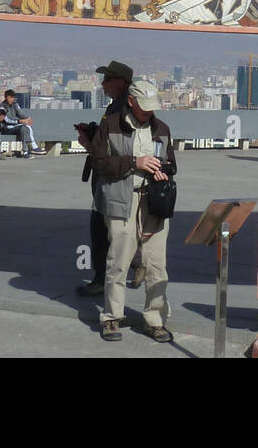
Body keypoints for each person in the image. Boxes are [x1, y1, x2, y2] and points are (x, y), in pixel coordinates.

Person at [89, 79, 177, 343]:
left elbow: (172, 162)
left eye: (152, 107)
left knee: (156, 265)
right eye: (144, 107)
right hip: (121, 201)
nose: (149, 112)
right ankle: (111, 317)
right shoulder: (110, 125)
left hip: (153, 203)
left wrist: (165, 170)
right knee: (118, 262)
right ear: (131, 101)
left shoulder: (161, 128)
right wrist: (134, 162)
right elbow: (99, 162)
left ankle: (155, 319)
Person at [75, 60, 132, 297]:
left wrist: (89, 143)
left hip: (111, 181)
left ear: (119, 82)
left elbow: (109, 151)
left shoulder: (119, 110)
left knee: (102, 230)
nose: (103, 84)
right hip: (117, 179)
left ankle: (102, 280)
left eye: (107, 79)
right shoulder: (123, 107)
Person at [0, 89, 46, 158]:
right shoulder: (2, 106)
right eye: (10, 97)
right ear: (6, 97)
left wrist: (27, 119)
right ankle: (34, 146)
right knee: (25, 126)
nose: (12, 99)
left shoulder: (15, 104)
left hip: (15, 127)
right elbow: (6, 120)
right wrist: (20, 121)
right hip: (7, 128)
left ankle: (25, 152)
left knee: (24, 128)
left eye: (13, 97)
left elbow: (21, 114)